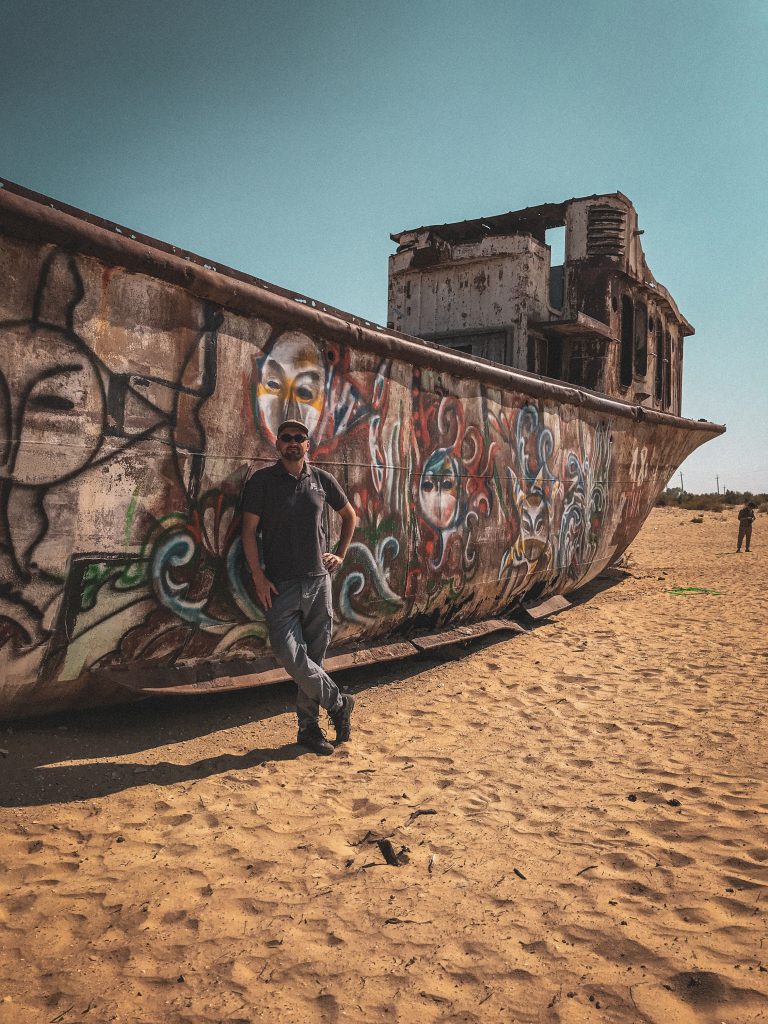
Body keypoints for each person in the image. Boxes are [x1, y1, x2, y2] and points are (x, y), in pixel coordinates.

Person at [241, 419, 358, 755]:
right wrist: (258, 576)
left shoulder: (322, 480)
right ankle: (339, 703)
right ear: (278, 444)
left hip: (319, 583)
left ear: (308, 445)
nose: (293, 442)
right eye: (287, 438)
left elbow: (350, 516)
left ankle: (308, 729)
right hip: (280, 586)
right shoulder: (262, 482)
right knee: (287, 652)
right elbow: (248, 532)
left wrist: (340, 553)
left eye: (299, 438)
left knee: (315, 658)